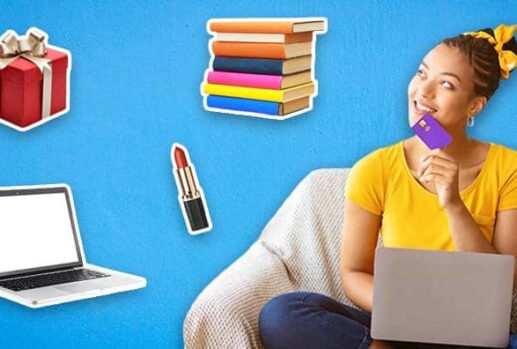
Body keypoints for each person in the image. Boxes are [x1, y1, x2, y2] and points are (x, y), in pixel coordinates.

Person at [258, 24, 517, 349]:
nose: (423, 92)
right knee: (283, 314)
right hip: (400, 324)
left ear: (475, 106)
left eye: (446, 84)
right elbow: (354, 272)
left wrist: (453, 204)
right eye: (422, 74)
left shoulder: (509, 168)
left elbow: (501, 286)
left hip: (471, 335)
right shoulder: (375, 169)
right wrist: (407, 311)